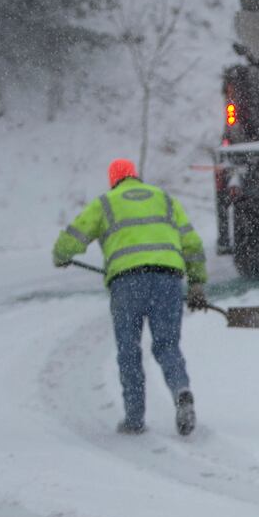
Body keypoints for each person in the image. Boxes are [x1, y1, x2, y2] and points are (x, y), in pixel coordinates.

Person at [53, 158, 208, 436]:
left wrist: (62, 255)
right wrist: (196, 283)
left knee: (129, 351)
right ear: (135, 177)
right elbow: (192, 243)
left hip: (127, 283)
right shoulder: (164, 199)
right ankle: (181, 390)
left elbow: (74, 235)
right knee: (167, 345)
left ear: (114, 180)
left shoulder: (106, 203)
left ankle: (135, 419)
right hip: (168, 279)